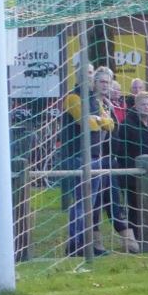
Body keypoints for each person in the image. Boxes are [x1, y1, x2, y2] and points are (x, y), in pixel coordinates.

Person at [59, 66, 116, 257]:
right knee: (81, 203)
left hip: (95, 157)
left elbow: (110, 125)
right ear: (77, 74)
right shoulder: (72, 98)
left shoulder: (93, 99)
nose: (88, 75)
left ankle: (84, 243)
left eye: (91, 73)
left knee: (90, 204)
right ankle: (75, 244)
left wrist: (97, 118)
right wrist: (98, 120)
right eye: (85, 72)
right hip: (78, 157)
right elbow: (86, 124)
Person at [112, 90, 148, 253]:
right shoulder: (128, 125)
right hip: (134, 174)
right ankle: (137, 239)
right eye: (143, 104)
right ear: (136, 106)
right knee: (135, 206)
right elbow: (122, 152)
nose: (146, 107)